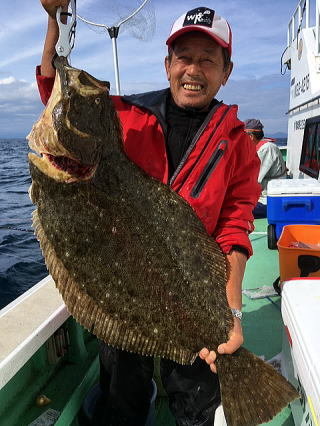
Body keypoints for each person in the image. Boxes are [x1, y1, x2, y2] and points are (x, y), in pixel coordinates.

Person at [37, 2, 261, 425]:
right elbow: (55, 97)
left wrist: (231, 315)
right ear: (167, 64)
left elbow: (235, 227)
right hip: (124, 286)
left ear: (225, 72)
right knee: (122, 398)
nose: (193, 70)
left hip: (194, 293)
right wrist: (54, 22)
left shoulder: (238, 143)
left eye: (207, 60)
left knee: (195, 405)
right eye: (185, 58)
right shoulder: (125, 116)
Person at [244, 119, 287, 218]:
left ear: (251, 136)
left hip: (268, 201)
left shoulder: (267, 148)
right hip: (262, 196)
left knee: (233, 210)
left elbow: (255, 179)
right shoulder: (260, 147)